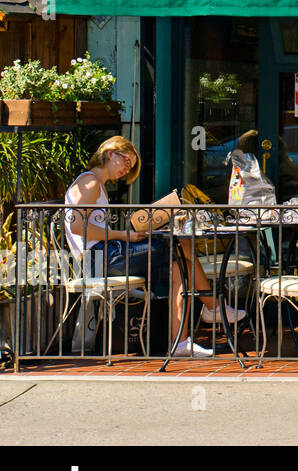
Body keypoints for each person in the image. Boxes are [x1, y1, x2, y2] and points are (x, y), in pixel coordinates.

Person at [63, 136, 245, 358]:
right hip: (99, 259)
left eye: (130, 165)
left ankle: (181, 343)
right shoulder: (90, 183)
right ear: (111, 153)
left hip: (106, 255)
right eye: (126, 161)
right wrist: (124, 235)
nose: (126, 169)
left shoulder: (96, 185)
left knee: (180, 264)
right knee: (179, 244)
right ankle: (213, 306)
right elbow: (77, 226)